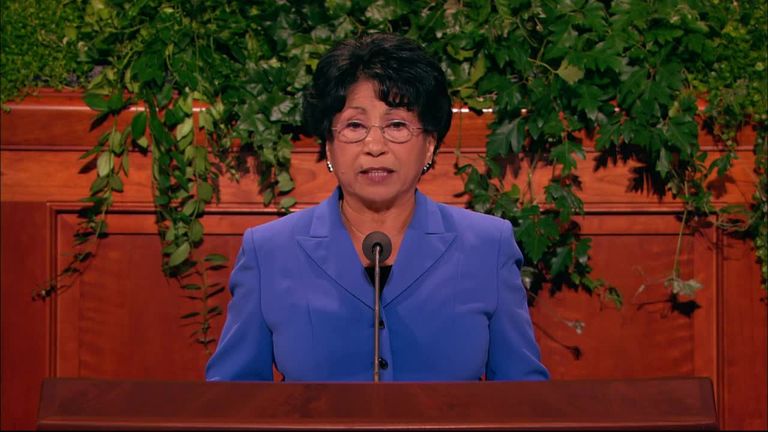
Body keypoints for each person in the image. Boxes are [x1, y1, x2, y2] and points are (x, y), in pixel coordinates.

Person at [205, 33, 549, 382]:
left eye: (396, 125)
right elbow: (234, 396)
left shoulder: (488, 246)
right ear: (329, 146)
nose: (374, 145)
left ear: (429, 145)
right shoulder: (268, 252)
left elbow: (522, 393)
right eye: (354, 125)